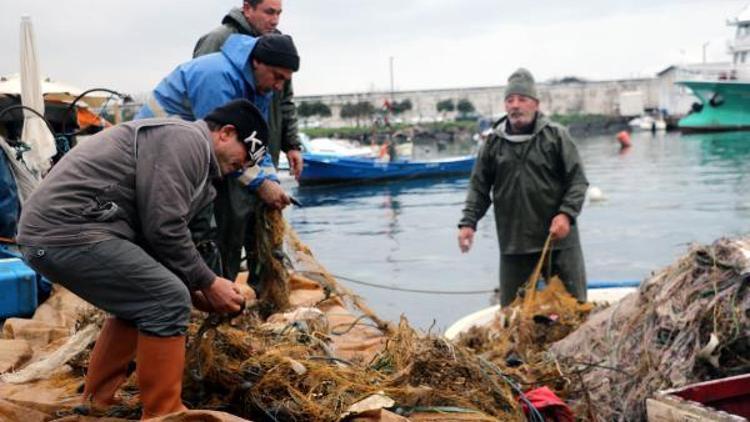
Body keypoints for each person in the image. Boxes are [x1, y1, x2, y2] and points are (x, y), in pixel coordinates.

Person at [16, 99, 267, 418]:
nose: (244, 167)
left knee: (144, 302)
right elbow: (163, 226)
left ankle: (97, 402)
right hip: (65, 230)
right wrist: (209, 281)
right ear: (226, 133)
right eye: (247, 156)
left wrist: (195, 290)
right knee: (165, 299)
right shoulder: (187, 141)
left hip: (63, 231)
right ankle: (164, 413)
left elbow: (153, 239)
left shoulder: (194, 160)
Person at [135, 33, 300, 281]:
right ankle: (203, 291)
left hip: (189, 153)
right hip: (156, 152)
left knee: (208, 222)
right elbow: (224, 146)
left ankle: (212, 288)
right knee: (196, 226)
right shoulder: (216, 76)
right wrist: (261, 184)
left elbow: (255, 140)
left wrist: (272, 180)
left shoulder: (260, 86)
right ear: (257, 62)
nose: (279, 86)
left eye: (284, 81)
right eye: (277, 77)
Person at [457, 68, 589, 306]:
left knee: (573, 308)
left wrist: (566, 214)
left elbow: (577, 181)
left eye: (522, 99)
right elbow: (479, 188)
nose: (515, 105)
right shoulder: (493, 144)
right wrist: (468, 223)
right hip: (514, 245)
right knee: (512, 314)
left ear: (535, 104)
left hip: (558, 243)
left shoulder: (556, 137)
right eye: (510, 100)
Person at [193, 0, 303, 179]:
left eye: (278, 13)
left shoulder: (281, 47)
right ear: (247, 8)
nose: (275, 20)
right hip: (228, 162)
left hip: (261, 155)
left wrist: (292, 145)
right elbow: (206, 105)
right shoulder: (217, 41)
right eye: (269, 12)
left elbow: (285, 100)